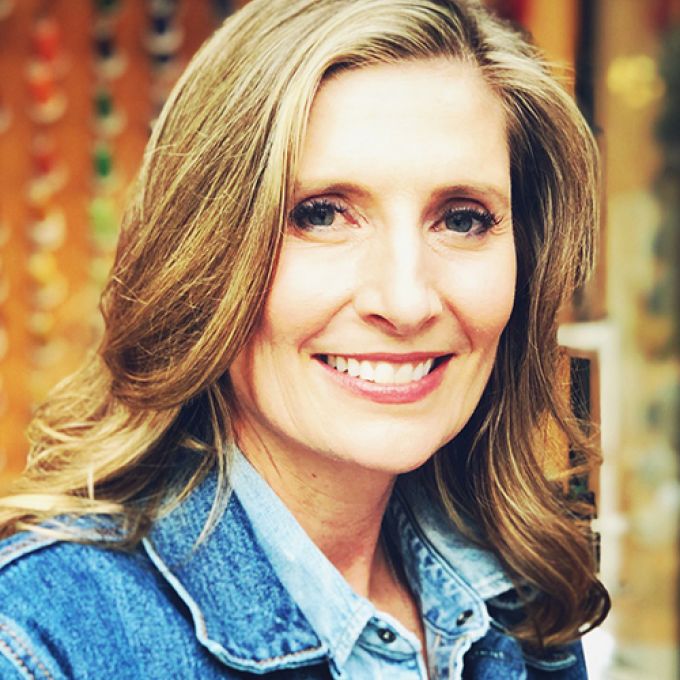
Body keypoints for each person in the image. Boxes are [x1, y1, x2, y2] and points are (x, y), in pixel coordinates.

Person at [0, 0, 609, 677]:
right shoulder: (42, 643)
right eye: (321, 215)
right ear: (206, 253)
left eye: (462, 220)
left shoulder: (520, 599)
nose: (406, 300)